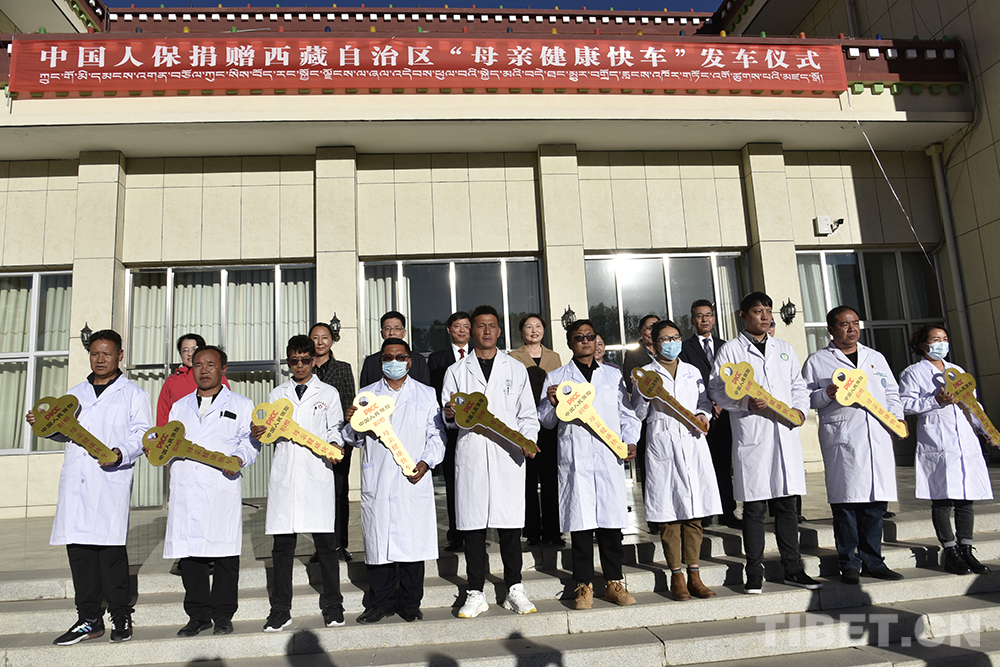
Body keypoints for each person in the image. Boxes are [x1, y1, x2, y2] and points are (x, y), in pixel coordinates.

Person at [27, 329, 151, 645]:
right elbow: (66, 433)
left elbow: (142, 434)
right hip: (78, 481)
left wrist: (120, 453)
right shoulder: (75, 394)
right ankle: (88, 619)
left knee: (111, 553)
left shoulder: (133, 394)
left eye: (106, 353)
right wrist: (45, 426)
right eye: (95, 353)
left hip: (110, 478)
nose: (100, 359)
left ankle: (120, 615)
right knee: (80, 553)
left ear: (120, 355)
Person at [708, 292, 821, 595]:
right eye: (758, 311)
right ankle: (754, 571)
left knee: (787, 506)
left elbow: (798, 386)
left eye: (768, 311)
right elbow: (716, 390)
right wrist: (744, 402)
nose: (766, 316)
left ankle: (793, 567)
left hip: (784, 433)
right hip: (753, 435)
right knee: (754, 508)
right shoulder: (731, 350)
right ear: (743, 316)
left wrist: (800, 410)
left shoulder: (783, 349)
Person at [442, 305, 540, 618]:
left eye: (492, 326)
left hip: (508, 455)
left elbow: (528, 414)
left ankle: (514, 588)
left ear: (499, 331)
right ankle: (475, 591)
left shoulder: (515, 369)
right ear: (472, 331)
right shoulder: (456, 371)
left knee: (510, 526)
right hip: (472, 453)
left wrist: (528, 440)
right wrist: (449, 416)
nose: (486, 331)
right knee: (473, 528)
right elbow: (448, 419)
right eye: (481, 326)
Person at [343, 338, 446, 623]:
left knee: (412, 542)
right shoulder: (366, 394)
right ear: (381, 362)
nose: (394, 362)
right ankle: (381, 602)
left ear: (410, 361)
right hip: (379, 477)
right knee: (379, 543)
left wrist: (426, 462)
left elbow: (437, 435)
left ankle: (410, 603)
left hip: (412, 477)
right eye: (388, 357)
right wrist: (351, 422)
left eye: (400, 357)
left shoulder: (425, 393)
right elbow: (353, 439)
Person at [540, 320, 640, 610]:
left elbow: (626, 413)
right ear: (569, 343)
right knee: (580, 522)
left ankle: (613, 583)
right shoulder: (556, 377)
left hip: (608, 456)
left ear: (597, 340)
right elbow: (545, 420)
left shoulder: (612, 375)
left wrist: (630, 440)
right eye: (578, 337)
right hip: (577, 458)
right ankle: (583, 584)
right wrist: (551, 403)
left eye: (589, 336)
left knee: (610, 524)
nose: (585, 341)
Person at [802, 306, 905, 584]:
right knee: (846, 506)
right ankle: (849, 563)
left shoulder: (875, 357)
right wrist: (826, 393)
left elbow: (891, 392)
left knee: (875, 505)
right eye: (845, 324)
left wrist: (897, 419)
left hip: (876, 436)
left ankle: (874, 561)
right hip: (843, 439)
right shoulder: (818, 360)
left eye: (855, 323)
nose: (852, 328)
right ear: (831, 329)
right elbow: (804, 397)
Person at [162, 346, 260, 637]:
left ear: (223, 369)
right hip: (187, 487)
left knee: (225, 554)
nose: (204, 370)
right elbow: (168, 444)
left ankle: (223, 615)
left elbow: (250, 441)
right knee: (191, 556)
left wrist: (239, 458)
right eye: (198, 365)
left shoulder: (241, 404)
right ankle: (198, 615)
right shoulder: (179, 406)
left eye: (210, 364)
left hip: (220, 487)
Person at [252, 335, 346, 632]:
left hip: (317, 474)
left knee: (326, 546)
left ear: (313, 361)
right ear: (288, 362)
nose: (301, 366)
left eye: (306, 360)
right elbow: (266, 433)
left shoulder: (327, 393)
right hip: (287, 475)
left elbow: (336, 428)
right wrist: (259, 432)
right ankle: (280, 609)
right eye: (295, 361)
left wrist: (335, 444)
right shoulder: (276, 394)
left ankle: (333, 605)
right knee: (282, 548)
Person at [634, 320, 721, 601]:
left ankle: (695, 574)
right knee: (669, 514)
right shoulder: (646, 373)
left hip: (692, 441)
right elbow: (638, 413)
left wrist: (703, 415)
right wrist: (641, 393)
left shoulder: (692, 371)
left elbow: (704, 402)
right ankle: (677, 575)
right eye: (665, 339)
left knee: (694, 511)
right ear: (655, 343)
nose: (671, 343)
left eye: (675, 337)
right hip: (664, 443)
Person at [899, 324, 994, 576]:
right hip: (937, 441)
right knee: (942, 498)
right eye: (935, 340)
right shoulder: (913, 372)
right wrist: (935, 400)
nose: (941, 344)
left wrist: (986, 429)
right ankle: (950, 550)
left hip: (964, 440)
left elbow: (972, 404)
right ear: (923, 345)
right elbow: (905, 404)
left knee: (965, 498)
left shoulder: (957, 371)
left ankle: (966, 548)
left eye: (944, 339)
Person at [679, 300, 737, 528]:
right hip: (699, 415)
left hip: (725, 415)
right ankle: (704, 513)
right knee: (702, 465)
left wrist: (722, 401)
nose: (704, 319)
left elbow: (733, 379)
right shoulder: (685, 348)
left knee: (724, 465)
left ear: (714, 318)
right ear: (692, 320)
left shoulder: (726, 346)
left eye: (708, 315)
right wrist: (709, 403)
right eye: (699, 316)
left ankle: (727, 511)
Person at [509, 314, 563, 547]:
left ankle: (553, 530)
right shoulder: (513, 357)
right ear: (522, 332)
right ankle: (531, 530)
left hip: (550, 421)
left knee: (551, 478)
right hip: (523, 422)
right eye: (529, 327)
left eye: (538, 326)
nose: (534, 330)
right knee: (528, 479)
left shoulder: (554, 357)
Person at [310, 322, 356, 562]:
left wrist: (345, 439)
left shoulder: (342, 368)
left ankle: (339, 545)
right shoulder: (305, 369)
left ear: (332, 340)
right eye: (315, 338)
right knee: (316, 495)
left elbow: (350, 402)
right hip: (310, 442)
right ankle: (322, 548)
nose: (320, 342)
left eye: (324, 337)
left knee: (339, 493)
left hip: (338, 440)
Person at [427, 311, 472, 552]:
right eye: (457, 326)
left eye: (466, 326)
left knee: (474, 481)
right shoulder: (437, 358)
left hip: (475, 428)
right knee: (453, 481)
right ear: (448, 330)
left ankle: (474, 532)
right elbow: (433, 393)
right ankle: (455, 533)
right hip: (449, 427)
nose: (462, 330)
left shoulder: (479, 357)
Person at [621, 314, 659, 531]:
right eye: (648, 328)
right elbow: (629, 383)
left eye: (656, 327)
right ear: (641, 331)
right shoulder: (634, 355)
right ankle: (653, 519)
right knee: (648, 468)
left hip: (667, 416)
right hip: (644, 416)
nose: (652, 332)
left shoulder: (666, 353)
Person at [156, 333, 230, 426]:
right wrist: (162, 433)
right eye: (185, 350)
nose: (190, 353)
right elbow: (163, 413)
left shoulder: (215, 376)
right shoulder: (171, 381)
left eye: (194, 349)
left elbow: (227, 404)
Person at [359, 311, 431, 388]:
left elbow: (425, 389)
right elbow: (365, 391)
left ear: (404, 333)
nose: (392, 332)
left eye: (397, 328)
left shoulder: (418, 360)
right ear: (382, 333)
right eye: (387, 328)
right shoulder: (370, 362)